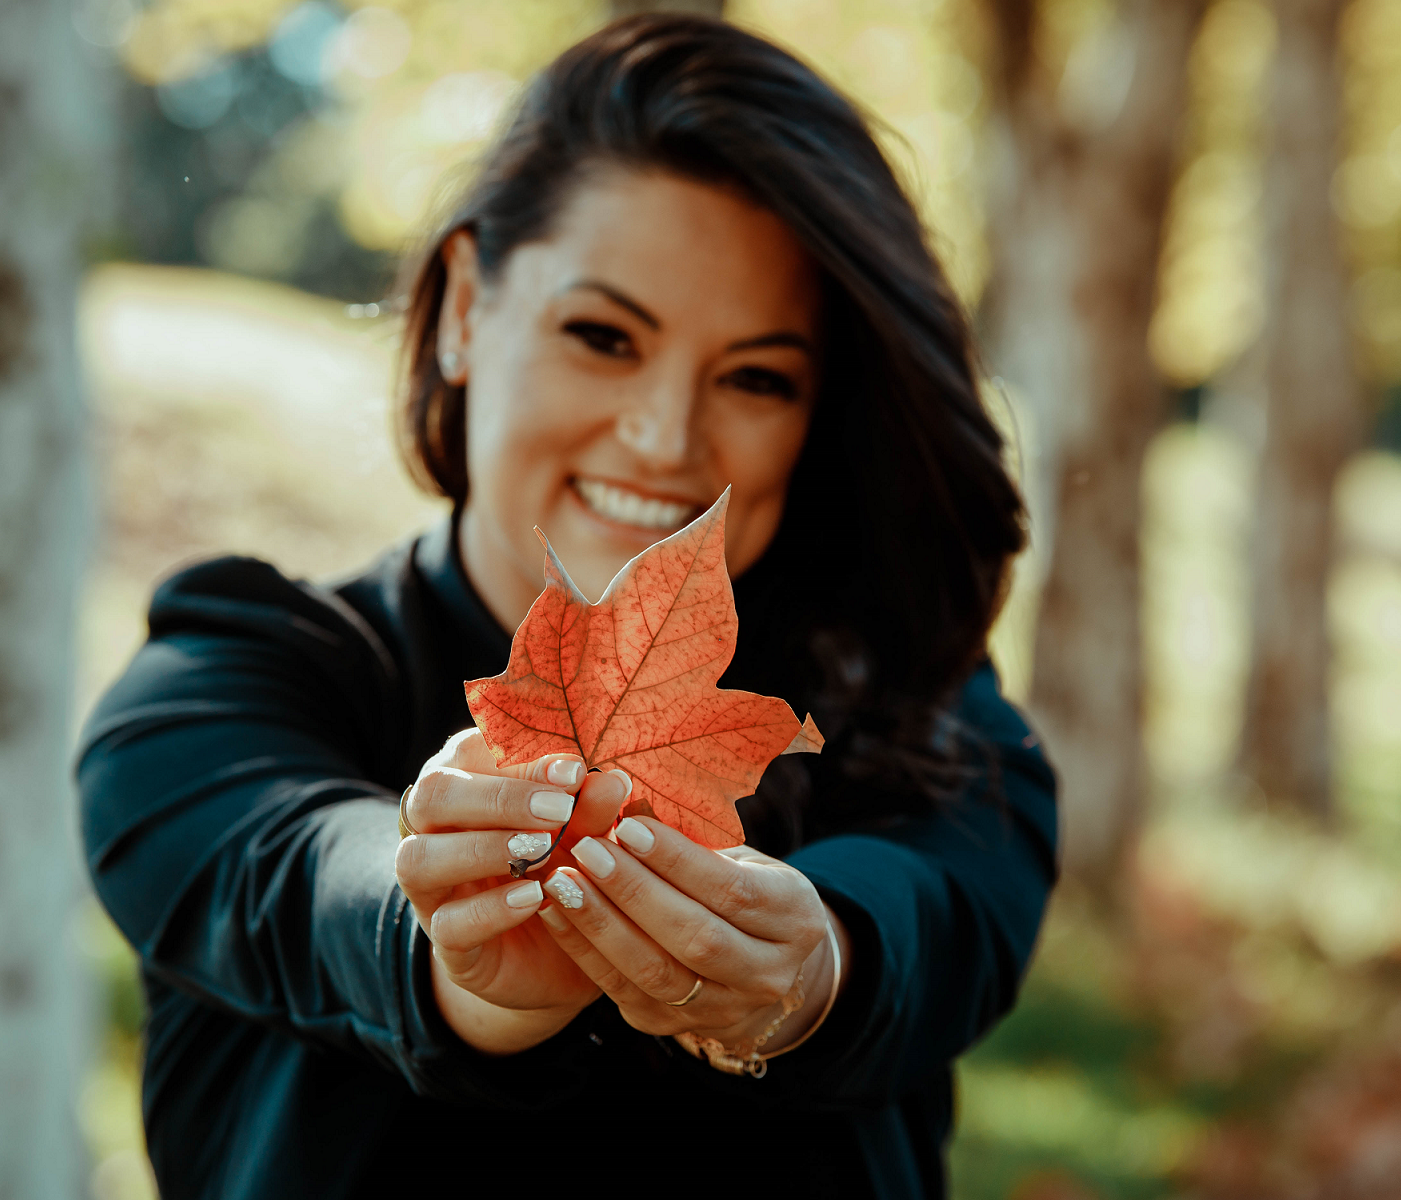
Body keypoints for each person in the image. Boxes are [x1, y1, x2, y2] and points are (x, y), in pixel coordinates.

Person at [77, 14, 1058, 1199]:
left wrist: (813, 969)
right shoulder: (230, 682)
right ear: (460, 311)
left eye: (756, 377)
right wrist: (443, 936)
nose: (663, 438)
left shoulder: (913, 712)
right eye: (602, 336)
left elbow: (941, 904)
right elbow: (295, 875)